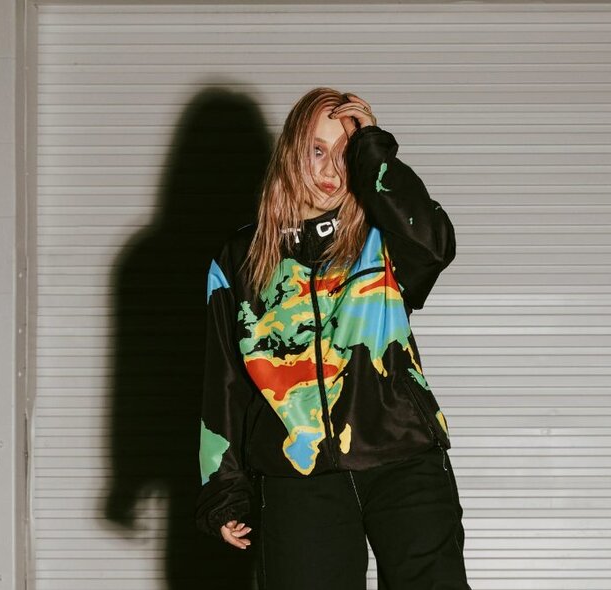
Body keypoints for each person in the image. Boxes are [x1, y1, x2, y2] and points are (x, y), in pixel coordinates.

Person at [194, 87, 471, 589]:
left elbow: (434, 244)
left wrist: (375, 153)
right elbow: (225, 383)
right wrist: (224, 487)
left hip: (403, 457)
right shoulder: (239, 260)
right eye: (317, 150)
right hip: (297, 474)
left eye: (346, 153)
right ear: (291, 152)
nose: (330, 171)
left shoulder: (382, 240)